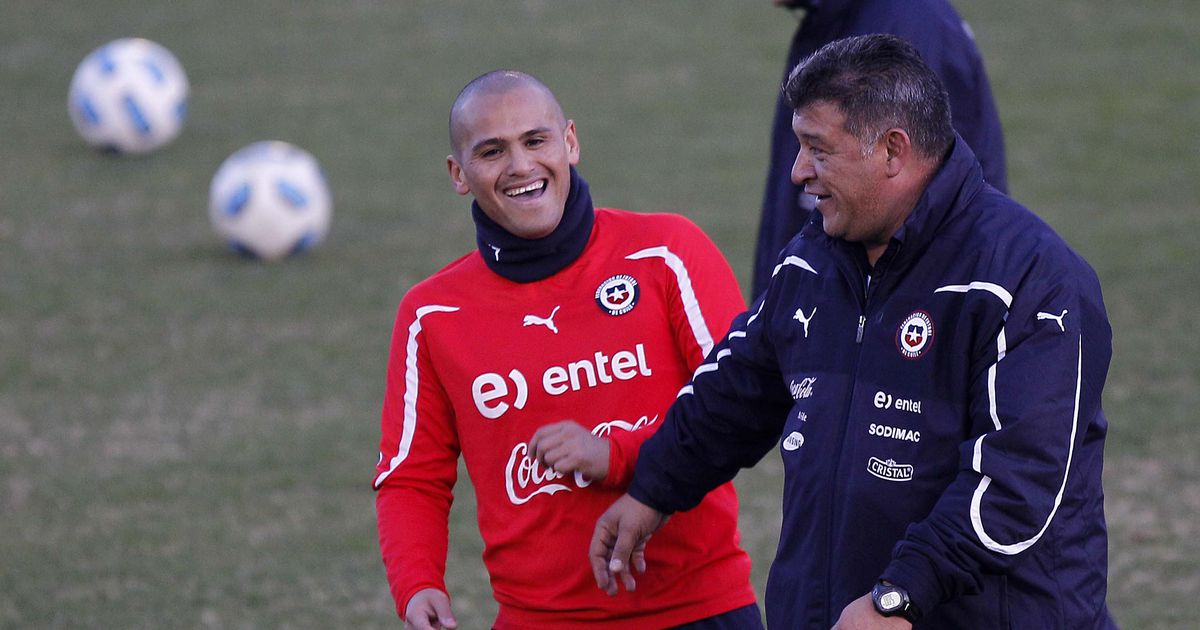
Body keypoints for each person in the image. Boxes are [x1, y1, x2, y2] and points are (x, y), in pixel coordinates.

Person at [590, 35, 1116, 629]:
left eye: (818, 148)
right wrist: (654, 488)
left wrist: (898, 596)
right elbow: (734, 395)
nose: (797, 172)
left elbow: (1018, 483)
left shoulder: (1028, 280)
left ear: (893, 150)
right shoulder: (813, 260)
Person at [373, 70, 763, 629]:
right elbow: (412, 477)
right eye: (491, 151)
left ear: (570, 142)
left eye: (536, 140)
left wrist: (617, 458)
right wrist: (417, 586)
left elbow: (741, 409)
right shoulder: (431, 315)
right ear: (459, 174)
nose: (521, 166)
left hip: (699, 610)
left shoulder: (667, 254)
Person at [752, 0, 1008, 297]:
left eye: (818, 149)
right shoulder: (837, 20)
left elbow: (925, 211)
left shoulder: (908, 28)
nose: (798, 173)